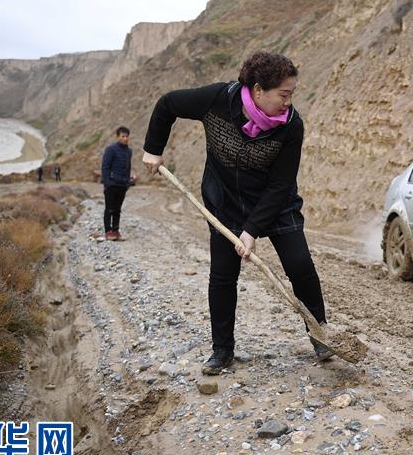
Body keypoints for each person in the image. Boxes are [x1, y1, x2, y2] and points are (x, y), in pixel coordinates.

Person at [141, 51, 331, 374]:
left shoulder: (291, 126)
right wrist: (153, 149)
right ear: (258, 90)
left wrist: (252, 230)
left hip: (276, 203)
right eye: (283, 95)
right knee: (223, 276)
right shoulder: (217, 100)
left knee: (300, 265)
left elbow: (280, 184)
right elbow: (167, 105)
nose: (288, 102)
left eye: (291, 95)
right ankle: (222, 350)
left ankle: (321, 334)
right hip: (225, 203)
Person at [101, 127, 134, 241]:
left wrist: (127, 183)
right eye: (122, 136)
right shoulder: (111, 149)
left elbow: (128, 167)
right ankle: (108, 232)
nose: (125, 138)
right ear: (118, 137)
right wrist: (107, 183)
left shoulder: (129, 151)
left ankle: (115, 231)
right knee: (109, 209)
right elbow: (105, 167)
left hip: (122, 185)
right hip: (111, 184)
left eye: (126, 136)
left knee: (117, 209)